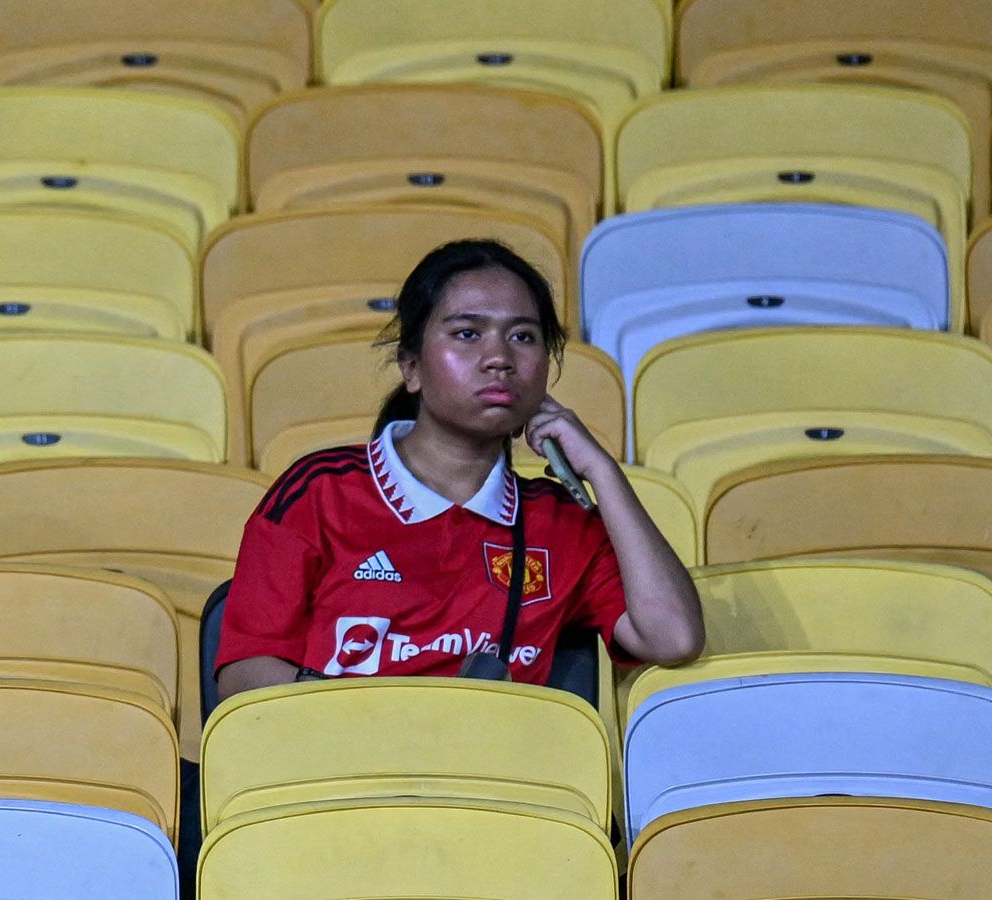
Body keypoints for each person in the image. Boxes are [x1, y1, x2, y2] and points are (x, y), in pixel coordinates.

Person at [216, 239, 704, 699]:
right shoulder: (319, 493)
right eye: (467, 333)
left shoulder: (562, 525)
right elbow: (244, 673)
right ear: (411, 367)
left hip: (494, 783)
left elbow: (674, 637)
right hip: (341, 777)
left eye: (523, 336)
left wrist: (602, 470)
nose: (498, 359)